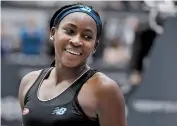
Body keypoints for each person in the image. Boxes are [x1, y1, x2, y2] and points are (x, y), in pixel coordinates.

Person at [18, 3, 127, 126]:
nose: (76, 41)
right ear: (53, 33)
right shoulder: (29, 82)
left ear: (95, 46)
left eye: (87, 36)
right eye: (70, 31)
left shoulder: (104, 89)